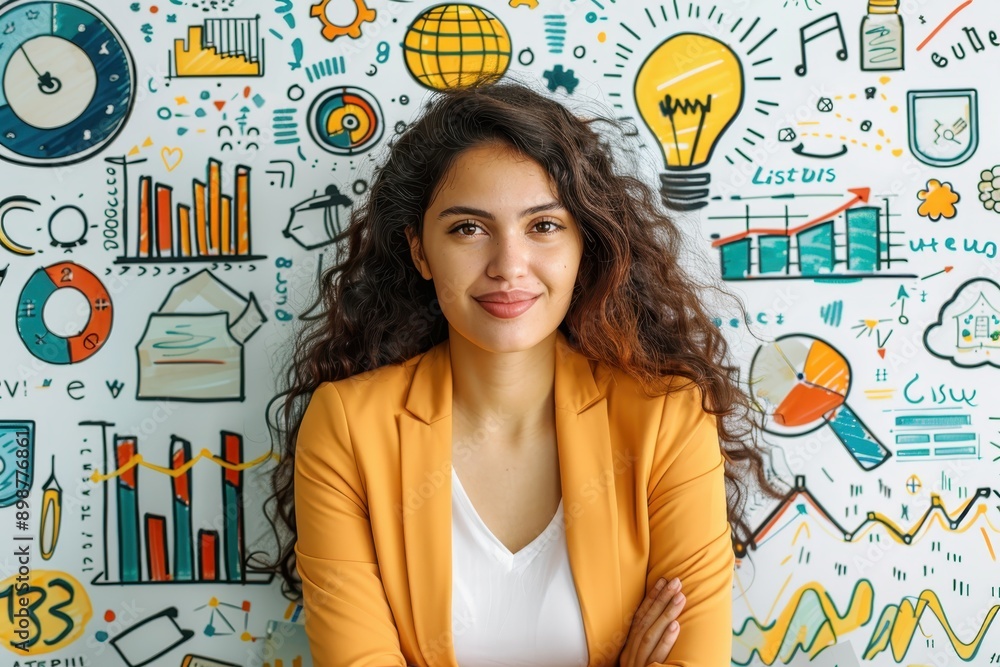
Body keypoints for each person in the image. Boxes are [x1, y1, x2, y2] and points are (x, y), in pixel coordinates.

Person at [257, 73, 784, 667]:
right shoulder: (347, 427)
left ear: (585, 244)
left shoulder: (668, 419)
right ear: (419, 251)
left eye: (543, 226)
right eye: (468, 229)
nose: (509, 265)